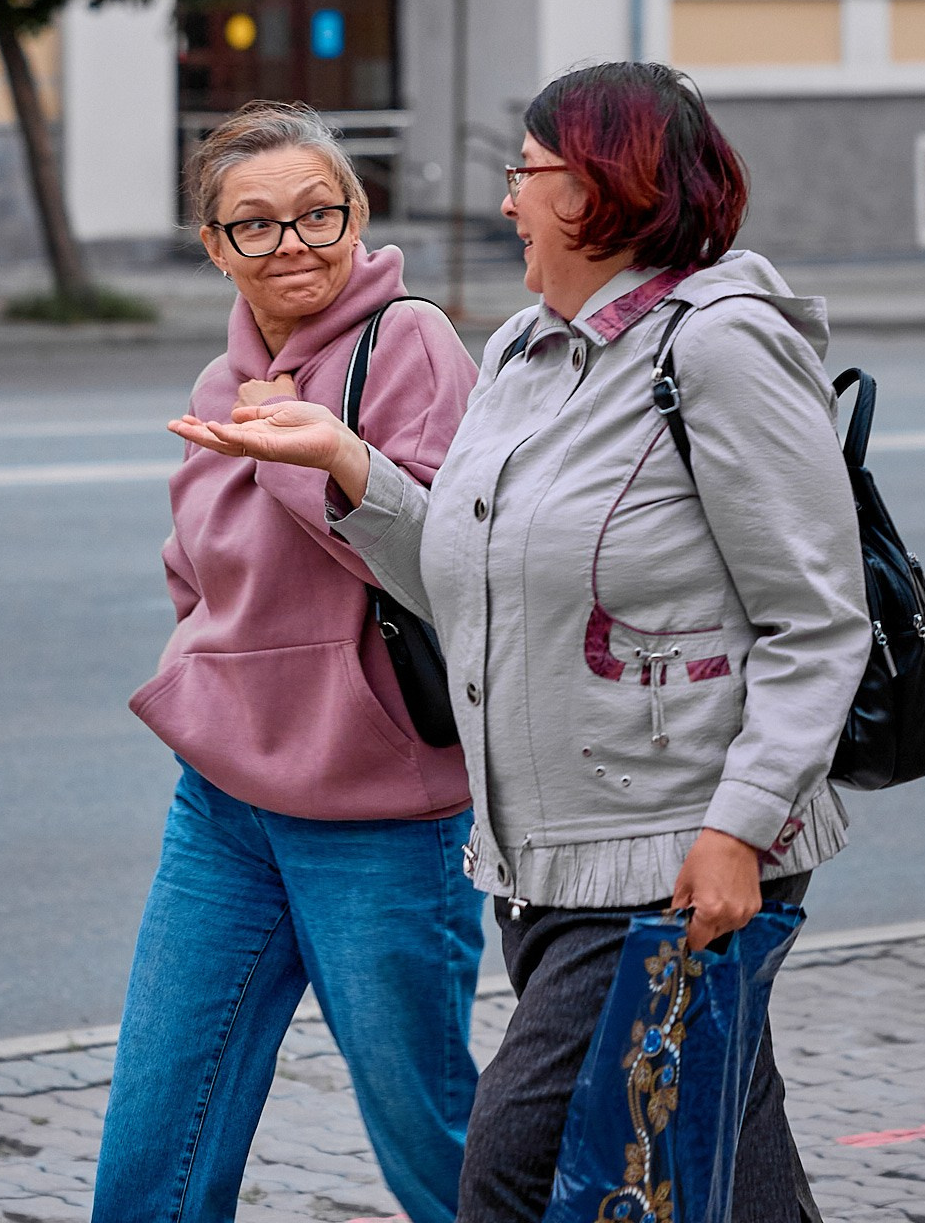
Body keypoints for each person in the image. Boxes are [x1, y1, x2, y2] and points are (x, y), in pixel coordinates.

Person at [174, 62, 872, 1221]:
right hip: (545, 854)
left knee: (513, 1171)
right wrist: (345, 464)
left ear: (605, 189)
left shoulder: (719, 346)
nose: (507, 202)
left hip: (669, 852)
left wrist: (741, 828)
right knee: (728, 1161)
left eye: (528, 172)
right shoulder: (524, 353)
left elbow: (815, 615)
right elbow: (461, 585)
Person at [94, 102, 484, 1223]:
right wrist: (218, 666)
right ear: (215, 247)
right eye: (254, 225)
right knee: (157, 1133)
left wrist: (329, 460)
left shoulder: (410, 343)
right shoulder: (223, 384)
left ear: (359, 213)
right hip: (223, 806)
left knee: (433, 1139)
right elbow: (197, 569)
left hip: (381, 818)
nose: (294, 243)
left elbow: (454, 570)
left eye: (319, 213)